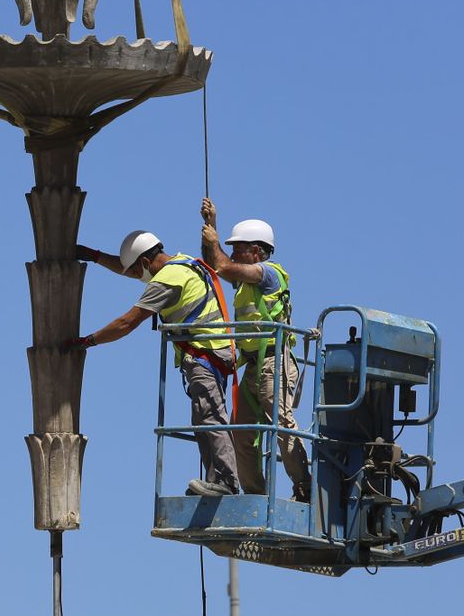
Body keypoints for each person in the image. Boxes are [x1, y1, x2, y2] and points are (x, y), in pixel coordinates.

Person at [73, 230, 239, 497]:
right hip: (216, 352)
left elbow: (127, 323)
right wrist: (95, 256)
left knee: (209, 418)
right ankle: (216, 481)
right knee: (204, 418)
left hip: (203, 356)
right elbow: (133, 270)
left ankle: (226, 483)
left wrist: (87, 342)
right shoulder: (185, 264)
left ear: (144, 262)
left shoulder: (165, 282)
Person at [199, 199, 313, 503]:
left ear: (257, 251)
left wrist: (215, 237)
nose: (234, 253)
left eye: (240, 248)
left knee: (281, 422)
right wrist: (209, 228)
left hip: (274, 362)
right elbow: (214, 266)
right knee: (242, 432)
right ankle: (255, 496)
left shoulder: (269, 274)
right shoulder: (242, 280)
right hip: (253, 365)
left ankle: (304, 487)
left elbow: (222, 265)